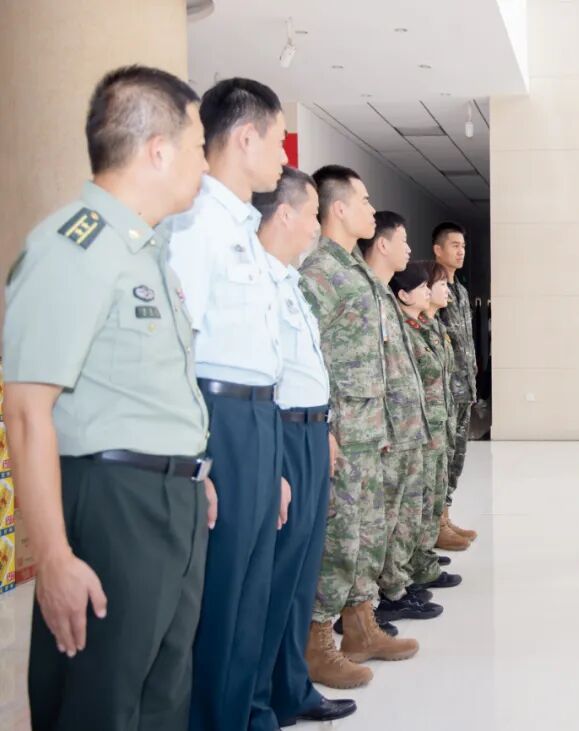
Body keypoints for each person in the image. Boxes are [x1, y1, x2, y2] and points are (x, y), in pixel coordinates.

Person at [4, 65, 211, 731]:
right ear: (158, 150)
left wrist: (189, 472)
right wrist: (54, 558)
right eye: (198, 146)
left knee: (161, 699)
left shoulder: (147, 253)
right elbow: (26, 412)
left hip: (170, 501)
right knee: (101, 703)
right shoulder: (76, 247)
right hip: (112, 503)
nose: (205, 164)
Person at [163, 77, 289, 731]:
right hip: (222, 420)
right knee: (220, 598)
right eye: (278, 139)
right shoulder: (196, 225)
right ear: (245, 138)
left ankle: (243, 716)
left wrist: (276, 465)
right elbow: (176, 347)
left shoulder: (242, 228)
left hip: (261, 420)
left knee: (252, 593)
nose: (284, 156)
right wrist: (200, 459)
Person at [300, 167, 418, 688]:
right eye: (365, 201)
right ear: (340, 209)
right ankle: (316, 643)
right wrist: (323, 426)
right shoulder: (320, 271)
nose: (373, 209)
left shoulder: (355, 270)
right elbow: (305, 354)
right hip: (343, 431)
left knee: (366, 533)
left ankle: (361, 626)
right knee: (340, 537)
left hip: (369, 430)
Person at [248, 167, 357, 728]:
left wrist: (328, 429)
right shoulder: (257, 281)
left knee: (300, 575)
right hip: (283, 432)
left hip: (312, 431)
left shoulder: (289, 282)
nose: (316, 227)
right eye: (312, 214)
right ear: (285, 213)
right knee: (277, 574)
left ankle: (291, 688)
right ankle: (260, 696)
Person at [355, 212, 446, 626]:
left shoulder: (384, 300)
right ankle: (377, 599)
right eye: (403, 240)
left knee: (401, 513)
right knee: (381, 520)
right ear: (382, 244)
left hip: (406, 428)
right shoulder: (365, 293)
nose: (410, 249)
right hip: (382, 430)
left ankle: (395, 586)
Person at [391, 262, 469, 589]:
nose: (430, 292)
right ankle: (407, 571)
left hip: (437, 424)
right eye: (423, 287)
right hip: (419, 429)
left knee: (432, 495)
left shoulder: (427, 327)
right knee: (416, 502)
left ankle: (421, 558)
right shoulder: (406, 331)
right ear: (404, 295)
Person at [433, 222, 478, 546]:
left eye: (463, 246)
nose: (460, 251)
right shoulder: (432, 288)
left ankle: (446, 517)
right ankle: (437, 525)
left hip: (464, 388)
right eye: (454, 245)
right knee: (444, 455)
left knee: (457, 456)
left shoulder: (460, 290)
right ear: (438, 250)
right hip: (445, 390)